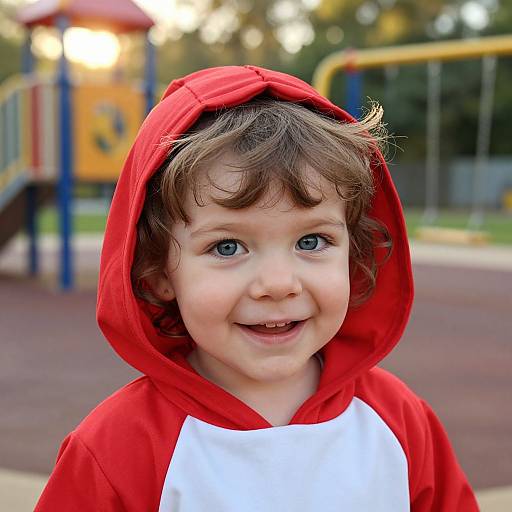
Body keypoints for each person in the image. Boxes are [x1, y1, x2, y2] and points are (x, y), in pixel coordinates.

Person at [35, 66, 479, 511]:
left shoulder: (400, 420)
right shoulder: (117, 448)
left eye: (312, 241)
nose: (278, 284)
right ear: (158, 274)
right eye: (228, 246)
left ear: (353, 254)